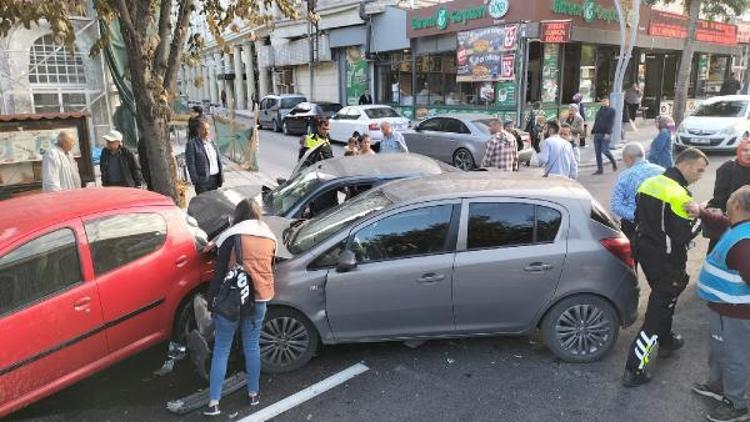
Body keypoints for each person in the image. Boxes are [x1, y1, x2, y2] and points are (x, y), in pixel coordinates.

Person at [621, 148, 709, 387]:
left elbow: (636, 219)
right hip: (669, 263)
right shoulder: (679, 195)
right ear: (686, 165)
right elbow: (684, 235)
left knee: (665, 300)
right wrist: (701, 214)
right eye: (700, 170)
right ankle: (634, 368)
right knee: (657, 314)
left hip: (647, 256)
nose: (700, 176)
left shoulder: (648, 183)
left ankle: (667, 341)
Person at [204, 199, 276, 416]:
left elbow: (218, 275)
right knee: (252, 346)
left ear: (238, 215)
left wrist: (211, 301)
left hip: (231, 301)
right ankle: (254, 394)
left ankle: (214, 402)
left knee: (222, 349)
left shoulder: (232, 236)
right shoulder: (270, 237)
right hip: (260, 299)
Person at [686, 187, 750, 422]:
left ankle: (736, 404)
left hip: (736, 314)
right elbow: (721, 221)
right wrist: (701, 212)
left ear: (737, 207)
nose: (725, 209)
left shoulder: (744, 242)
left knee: (734, 357)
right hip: (721, 309)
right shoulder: (736, 227)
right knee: (719, 350)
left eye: (729, 203)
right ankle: (717, 387)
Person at [609, 142, 665, 248]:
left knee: (631, 257)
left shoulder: (625, 176)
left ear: (629, 158)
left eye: (624, 160)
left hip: (634, 227)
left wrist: (637, 217)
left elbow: (615, 205)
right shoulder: (662, 172)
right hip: (660, 224)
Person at [705, 135, 750, 253]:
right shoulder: (727, 168)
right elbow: (718, 197)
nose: (748, 153)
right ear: (739, 151)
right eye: (745, 150)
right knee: (720, 252)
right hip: (728, 218)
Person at [186, 119, 224, 194]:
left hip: (215, 180)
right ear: (198, 130)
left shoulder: (212, 143)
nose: (207, 132)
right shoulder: (192, 144)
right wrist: (196, 180)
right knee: (204, 204)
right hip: (202, 182)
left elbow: (218, 160)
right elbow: (191, 164)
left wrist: (221, 176)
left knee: (214, 203)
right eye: (204, 129)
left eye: (208, 129)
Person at [591, 96, 617, 175]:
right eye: (603, 101)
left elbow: (611, 122)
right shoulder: (599, 110)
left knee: (605, 150)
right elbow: (596, 121)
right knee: (597, 152)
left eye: (606, 101)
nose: (604, 102)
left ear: (608, 102)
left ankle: (613, 162)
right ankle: (600, 169)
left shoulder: (612, 110)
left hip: (605, 134)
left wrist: (608, 133)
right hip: (597, 133)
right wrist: (593, 132)